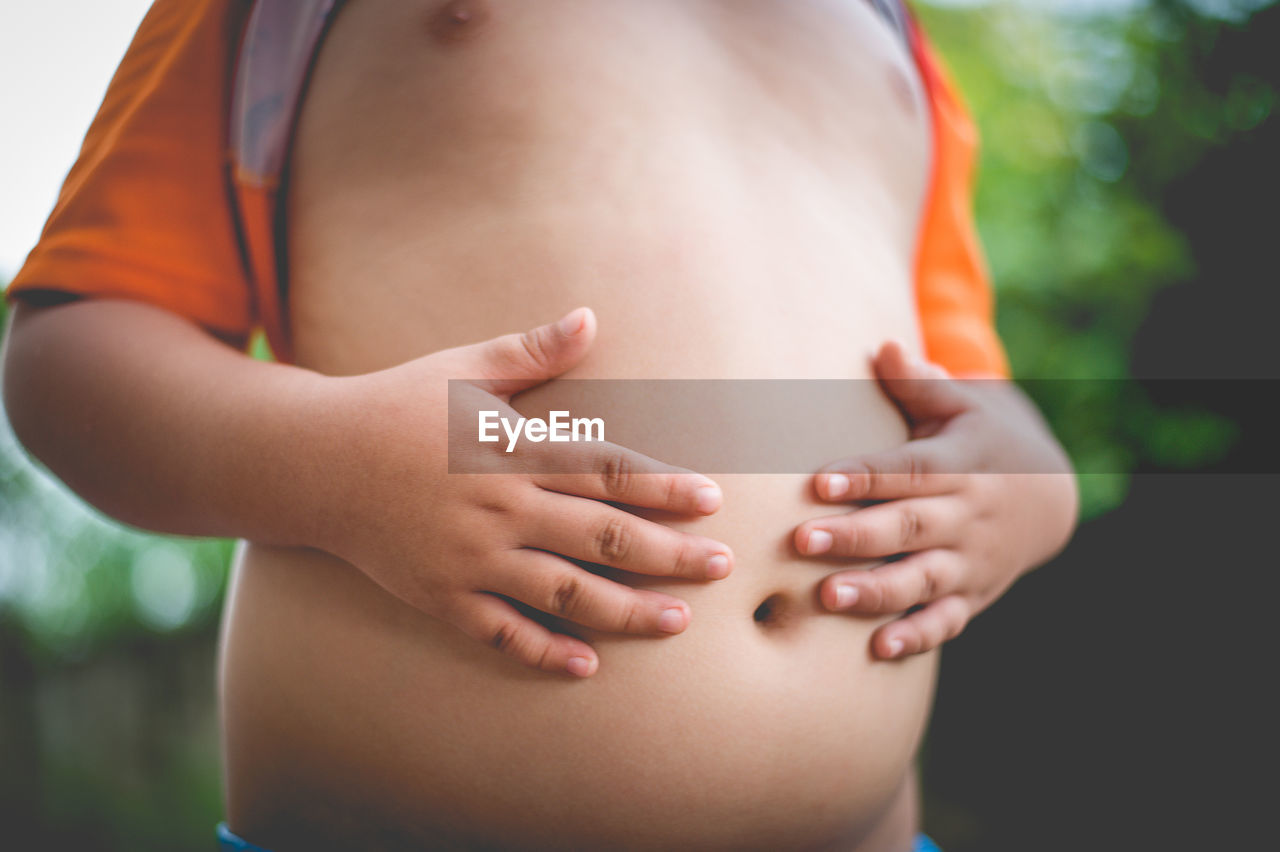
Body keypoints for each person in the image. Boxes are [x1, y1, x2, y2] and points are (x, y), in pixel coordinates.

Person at [1, 0, 1078, 849]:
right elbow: (69, 353)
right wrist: (332, 464)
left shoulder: (888, 33)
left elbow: (973, 397)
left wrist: (1031, 486)